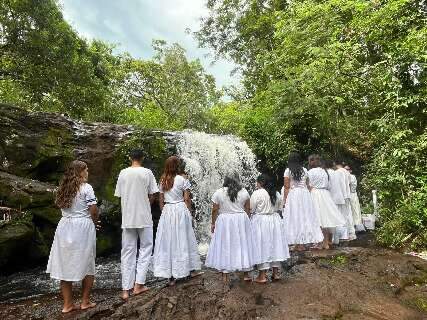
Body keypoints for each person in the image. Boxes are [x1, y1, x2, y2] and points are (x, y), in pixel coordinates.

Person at [46, 160, 99, 313]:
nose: (88, 172)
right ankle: (85, 302)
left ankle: (67, 305)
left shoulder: (62, 187)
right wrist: (95, 223)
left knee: (65, 265)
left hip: (64, 226)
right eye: (86, 170)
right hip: (82, 226)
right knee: (88, 263)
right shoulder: (86, 188)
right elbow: (93, 210)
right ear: (80, 172)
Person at [114, 149, 159, 300]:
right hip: (144, 217)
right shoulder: (147, 172)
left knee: (127, 252)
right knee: (146, 248)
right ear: (143, 158)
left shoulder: (123, 173)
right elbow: (153, 194)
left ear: (129, 157)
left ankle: (125, 290)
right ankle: (138, 285)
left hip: (127, 218)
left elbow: (119, 194)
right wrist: (147, 203)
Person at [152, 156, 202, 286]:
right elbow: (187, 199)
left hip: (168, 210)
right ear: (176, 166)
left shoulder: (162, 180)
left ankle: (171, 276)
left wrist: (165, 211)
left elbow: (161, 199)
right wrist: (189, 213)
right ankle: (189, 270)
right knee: (184, 238)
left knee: (169, 241)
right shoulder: (181, 179)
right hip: (180, 209)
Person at [206, 173, 255, 283]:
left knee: (225, 244)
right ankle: (246, 273)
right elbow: (248, 208)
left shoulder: (219, 192)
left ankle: (225, 274)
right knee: (243, 244)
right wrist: (247, 221)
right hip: (241, 219)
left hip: (225, 220)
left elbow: (214, 210)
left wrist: (213, 223)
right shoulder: (244, 191)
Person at [250, 174, 289, 283]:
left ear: (261, 182)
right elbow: (281, 207)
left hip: (261, 221)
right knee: (275, 245)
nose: (256, 184)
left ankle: (262, 276)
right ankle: (275, 273)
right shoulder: (276, 193)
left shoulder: (257, 193)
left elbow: (251, 209)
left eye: (257, 182)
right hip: (275, 220)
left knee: (262, 245)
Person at [282, 152, 323, 251]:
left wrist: (285, 201)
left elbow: (287, 187)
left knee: (295, 218)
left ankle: (299, 244)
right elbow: (308, 185)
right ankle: (303, 243)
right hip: (304, 195)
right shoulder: (304, 170)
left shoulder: (288, 171)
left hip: (294, 195)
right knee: (305, 217)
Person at [308, 155, 345, 249]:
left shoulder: (310, 172)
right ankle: (326, 242)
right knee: (325, 219)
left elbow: (309, 185)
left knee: (317, 219)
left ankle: (319, 242)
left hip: (315, 193)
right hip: (325, 194)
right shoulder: (324, 171)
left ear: (311, 162)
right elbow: (328, 184)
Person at [335, 161, 356, 241]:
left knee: (340, 215)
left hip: (340, 196)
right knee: (348, 214)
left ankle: (342, 235)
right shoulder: (347, 173)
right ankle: (350, 233)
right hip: (347, 195)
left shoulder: (336, 172)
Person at [345, 165, 365, 232]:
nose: (346, 171)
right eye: (345, 169)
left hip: (352, 194)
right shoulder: (345, 177)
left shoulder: (351, 176)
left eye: (347, 169)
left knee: (355, 210)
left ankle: (357, 226)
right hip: (348, 195)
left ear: (350, 170)